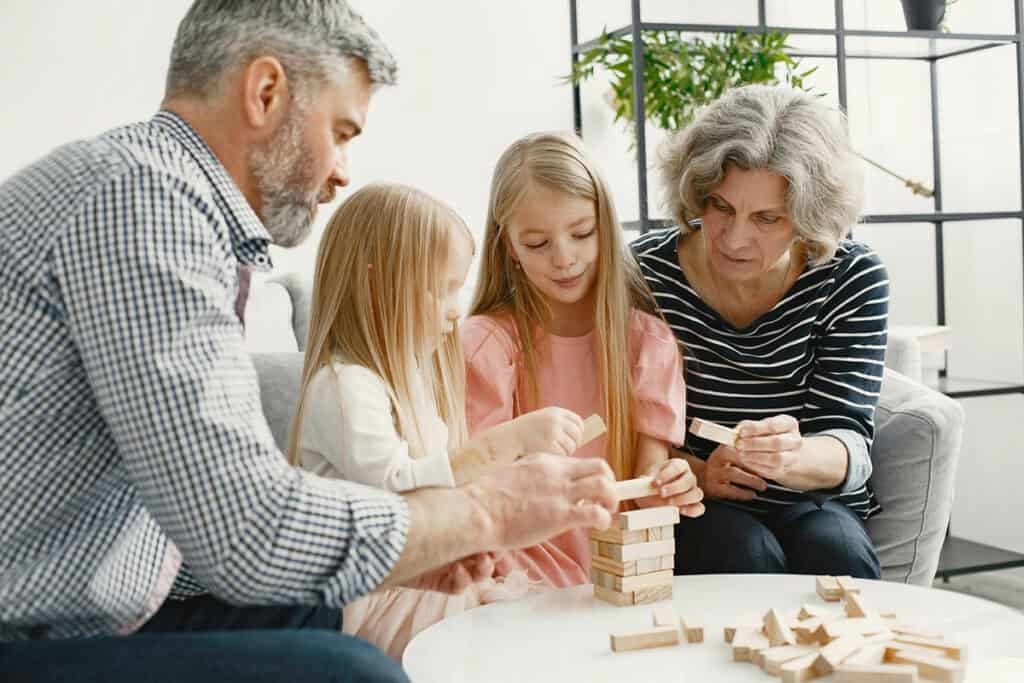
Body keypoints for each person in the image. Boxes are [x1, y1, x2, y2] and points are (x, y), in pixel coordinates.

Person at [0, 3, 617, 682]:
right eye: (341, 131)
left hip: (99, 612)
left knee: (332, 615)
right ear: (265, 93)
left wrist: (411, 549)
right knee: (352, 672)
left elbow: (192, 526)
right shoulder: (141, 204)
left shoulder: (162, 204)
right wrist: (484, 511)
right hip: (28, 636)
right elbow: (242, 526)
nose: (344, 171)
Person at [290, 182, 558, 659]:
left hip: (420, 583)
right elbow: (400, 493)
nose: (457, 311)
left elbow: (443, 498)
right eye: (445, 289)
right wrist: (502, 445)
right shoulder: (343, 387)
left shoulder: (408, 380)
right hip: (374, 601)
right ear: (378, 285)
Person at [632, 84, 889, 579]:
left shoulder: (850, 277)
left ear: (808, 219)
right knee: (740, 550)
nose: (733, 239)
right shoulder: (645, 272)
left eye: (767, 218)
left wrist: (791, 457)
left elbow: (850, 447)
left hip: (814, 497)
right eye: (721, 208)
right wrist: (704, 474)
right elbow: (632, 429)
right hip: (700, 500)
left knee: (836, 552)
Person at [461, 131, 705, 588]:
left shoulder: (648, 343)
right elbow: (477, 489)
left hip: (616, 576)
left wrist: (670, 484)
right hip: (513, 582)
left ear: (606, 229)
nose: (564, 259)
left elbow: (648, 481)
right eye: (537, 243)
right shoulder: (484, 346)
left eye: (581, 234)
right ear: (508, 246)